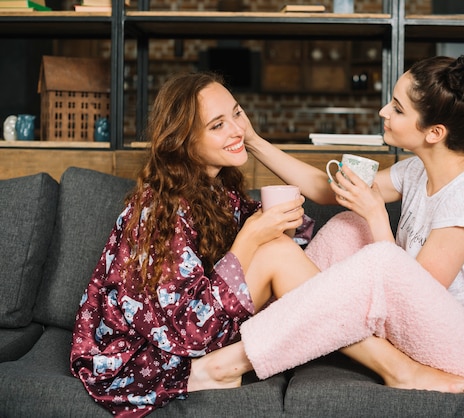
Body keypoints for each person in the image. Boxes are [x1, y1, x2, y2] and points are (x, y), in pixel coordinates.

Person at [194, 52, 464, 393]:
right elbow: (326, 190)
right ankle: (284, 326)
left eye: (398, 109)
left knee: (377, 249)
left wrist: (376, 214)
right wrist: (252, 140)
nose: (384, 111)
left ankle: (231, 363)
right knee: (348, 225)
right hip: (433, 334)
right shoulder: (416, 171)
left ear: (434, 132)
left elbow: (414, 291)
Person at [70, 72, 321, 416]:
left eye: (236, 114)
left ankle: (365, 337)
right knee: (277, 254)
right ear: (184, 141)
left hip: (196, 328)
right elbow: (187, 327)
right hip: (142, 353)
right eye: (217, 125)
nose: (237, 130)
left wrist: (277, 223)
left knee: (308, 242)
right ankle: (390, 360)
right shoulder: (159, 208)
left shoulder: (220, 190)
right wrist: (249, 238)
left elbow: (284, 251)